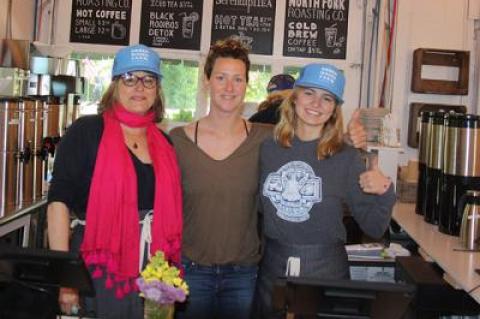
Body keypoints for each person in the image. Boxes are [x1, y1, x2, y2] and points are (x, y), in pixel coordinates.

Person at [170, 39, 368, 319]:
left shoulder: (267, 139)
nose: (229, 87)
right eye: (221, 78)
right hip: (190, 270)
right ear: (206, 82)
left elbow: (310, 142)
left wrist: (346, 140)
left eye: (238, 79)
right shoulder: (178, 140)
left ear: (246, 85)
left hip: (245, 274)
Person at [47, 44, 183, 319]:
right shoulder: (86, 131)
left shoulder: (165, 144)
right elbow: (58, 202)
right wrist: (66, 277)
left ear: (157, 90)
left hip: (155, 265)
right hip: (99, 264)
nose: (139, 87)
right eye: (129, 78)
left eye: (148, 79)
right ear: (114, 85)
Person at [255, 63, 396, 318]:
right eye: (310, 93)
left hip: (326, 272)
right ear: (295, 96)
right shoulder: (268, 148)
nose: (316, 104)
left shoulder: (346, 157)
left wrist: (385, 190)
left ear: (334, 109)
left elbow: (374, 227)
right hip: (272, 268)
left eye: (327, 98)